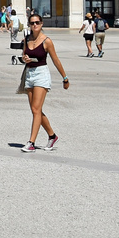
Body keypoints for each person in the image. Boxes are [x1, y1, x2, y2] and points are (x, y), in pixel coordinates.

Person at [18, 12, 69, 152]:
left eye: (37, 23)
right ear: (29, 25)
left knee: (36, 110)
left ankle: (31, 142)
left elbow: (55, 60)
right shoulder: (27, 39)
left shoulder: (47, 41)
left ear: (41, 24)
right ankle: (52, 136)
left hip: (41, 74)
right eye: (32, 23)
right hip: (29, 74)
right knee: (36, 110)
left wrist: (65, 78)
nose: (35, 25)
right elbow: (24, 55)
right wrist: (25, 59)